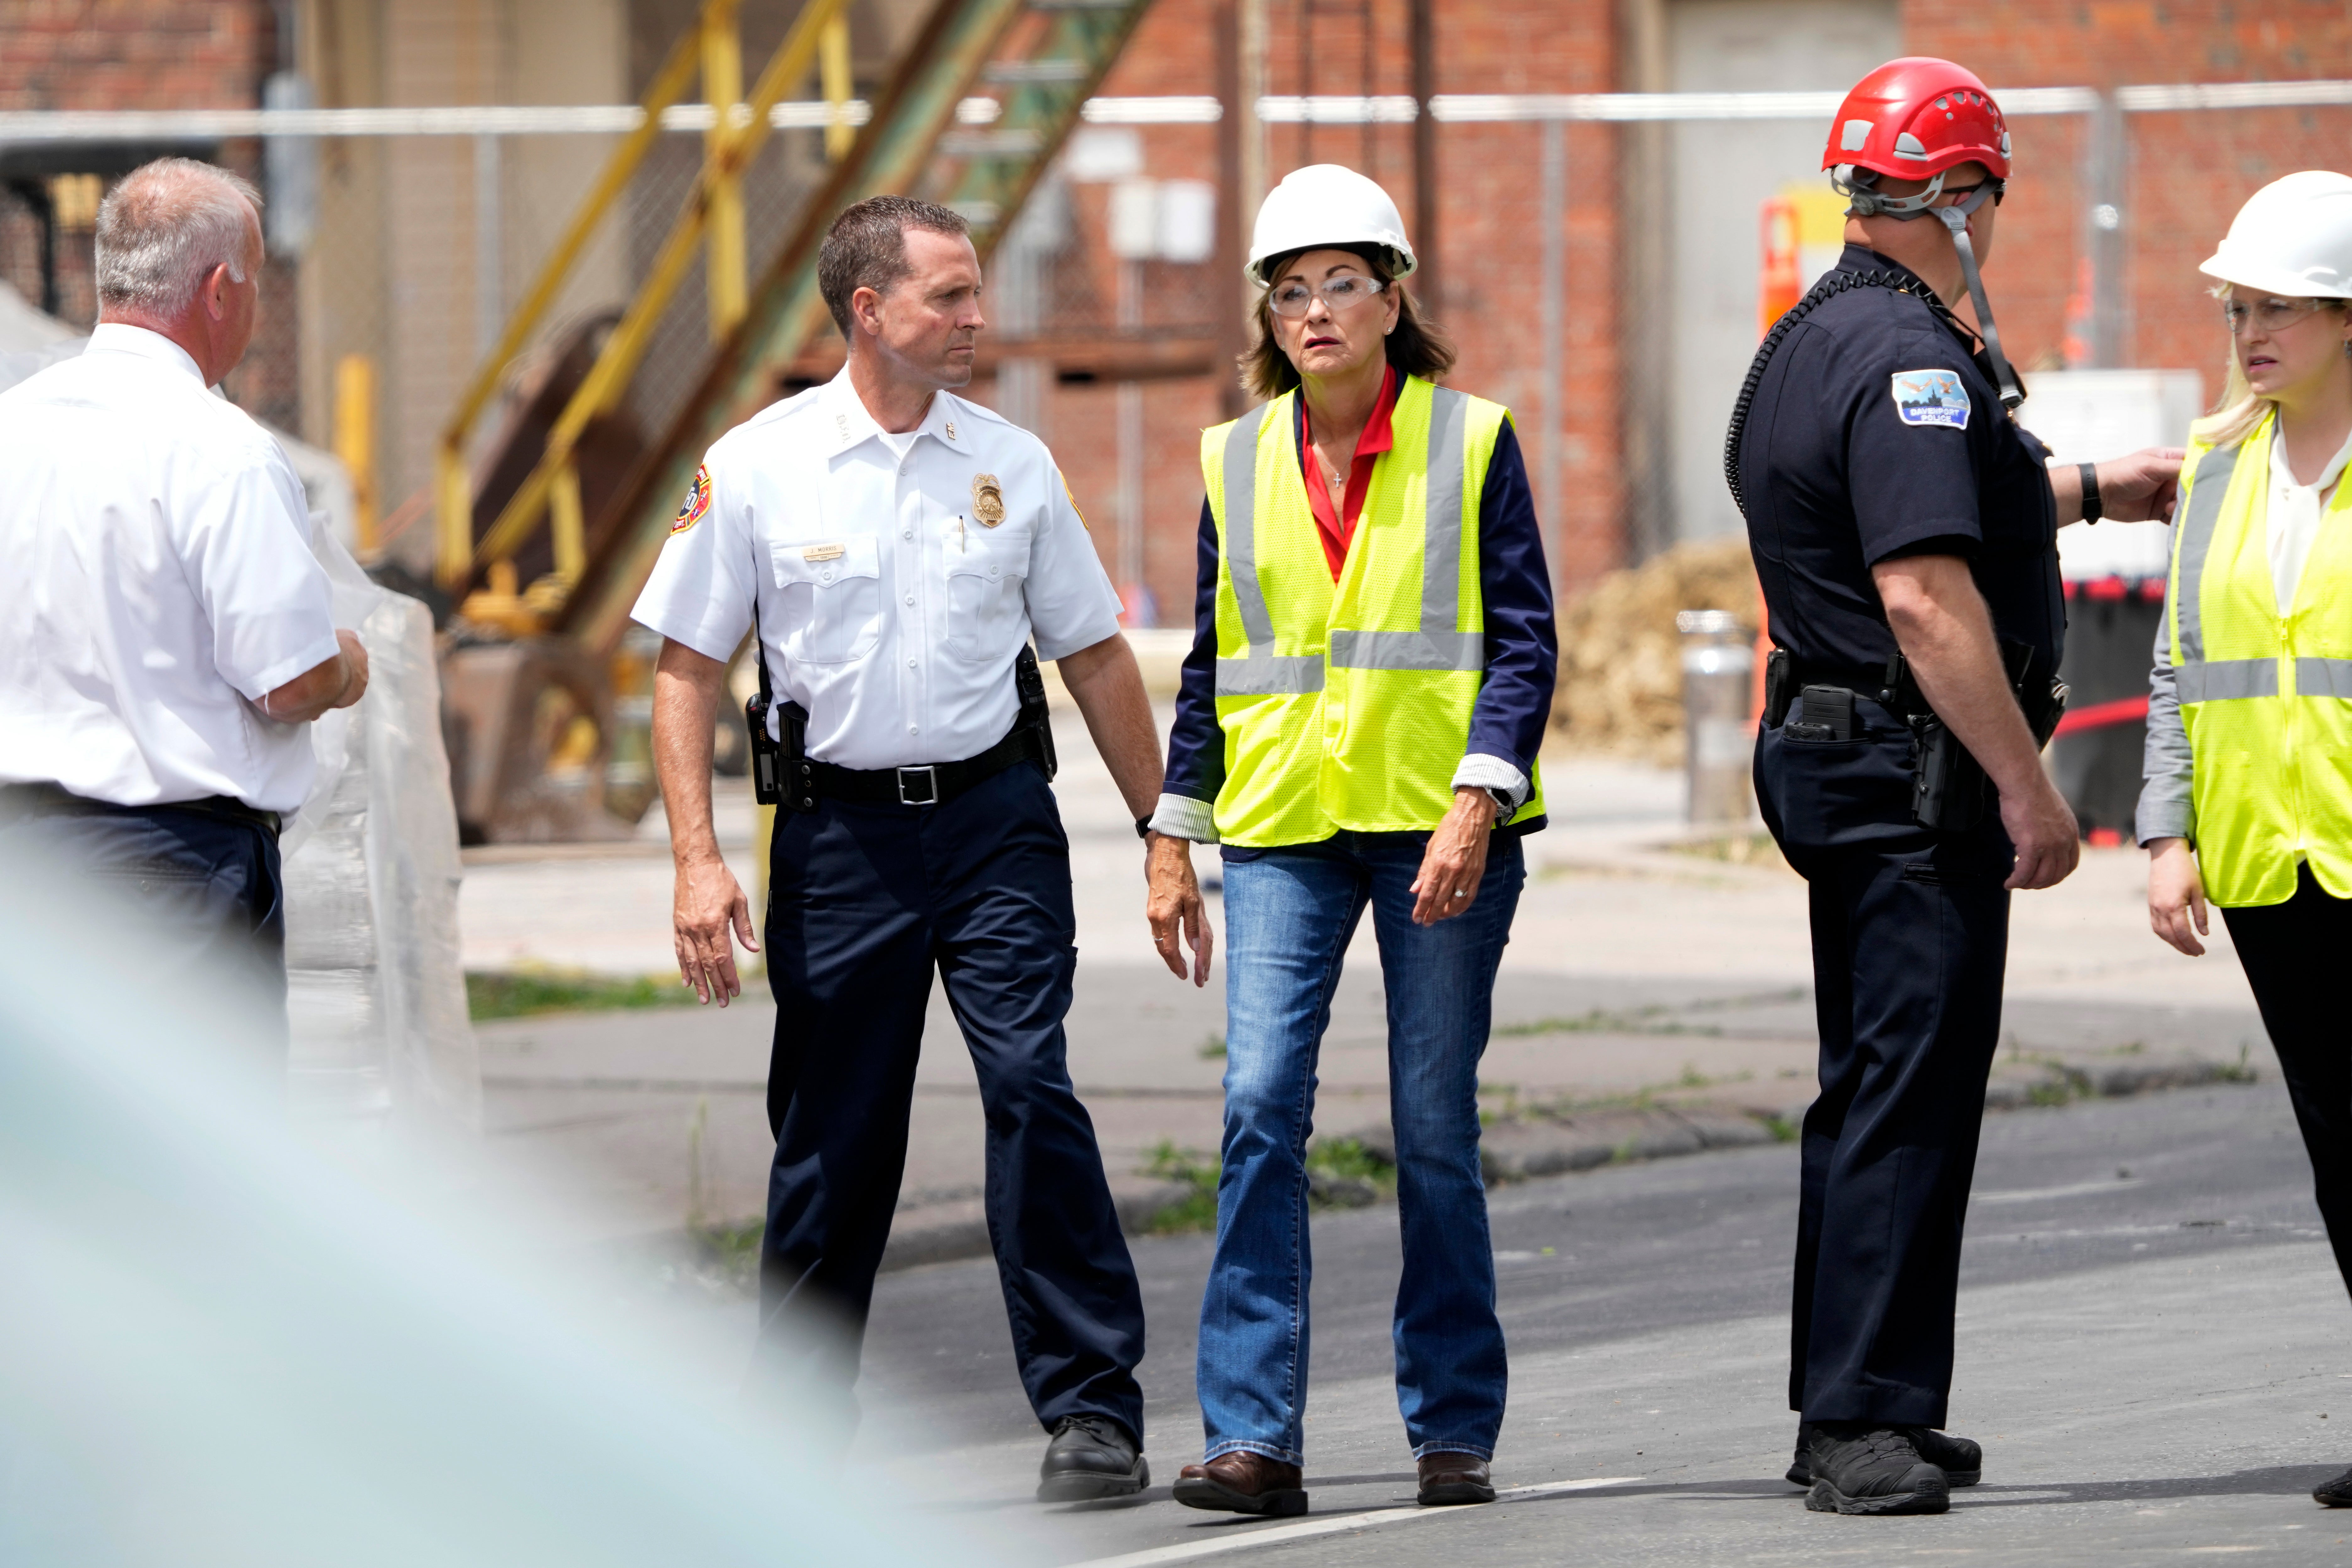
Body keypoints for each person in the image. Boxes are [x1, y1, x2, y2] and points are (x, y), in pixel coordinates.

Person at [633, 195, 1166, 1501]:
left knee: (1031, 1087)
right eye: (948, 296)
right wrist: (696, 862)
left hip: (995, 830)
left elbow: (1093, 657)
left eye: (974, 293)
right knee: (834, 1132)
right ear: (867, 310)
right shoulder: (760, 464)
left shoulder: (1012, 464)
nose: (976, 318)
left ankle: (1092, 1409)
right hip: (837, 843)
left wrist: (1166, 834)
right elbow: (685, 668)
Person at [1728, 59, 2181, 1516]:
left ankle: (1862, 1398)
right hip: (1903, 769)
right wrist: (2029, 789)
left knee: (1871, 1082)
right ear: (1959, 197)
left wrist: (2101, 489)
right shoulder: (1907, 358)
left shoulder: (1821, 335)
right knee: (1905, 1093)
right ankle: (1858, 1417)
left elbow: (1940, 488)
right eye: (1988, 192)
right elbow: (1922, 591)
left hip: (1832, 749)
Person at [1142, 164, 1558, 1516]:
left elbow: (1522, 643)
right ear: (1267, 315)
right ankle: (1252, 1435)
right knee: (1258, 1106)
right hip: (1278, 826)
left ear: (1392, 298)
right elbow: (1213, 663)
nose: (1313, 310)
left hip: (1439, 829)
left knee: (1432, 1125)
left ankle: (1451, 1428)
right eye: (1288, 289)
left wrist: (1475, 801)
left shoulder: (1472, 439)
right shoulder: (1232, 454)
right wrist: (1168, 833)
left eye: (1339, 283)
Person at [0, 158, 369, 1067]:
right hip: (171, 868)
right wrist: (349, 661)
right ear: (218, 289)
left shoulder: (13, 427)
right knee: (184, 1191)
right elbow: (289, 681)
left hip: (26, 862)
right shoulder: (219, 450)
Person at [2139, 172, 2352, 1510]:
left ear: (2345, 317)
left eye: (2275, 308)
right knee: (2336, 1146)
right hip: (2265, 858)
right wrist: (2167, 834)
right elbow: (2178, 663)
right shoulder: (2217, 464)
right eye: (2236, 309)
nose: (2248, 333)